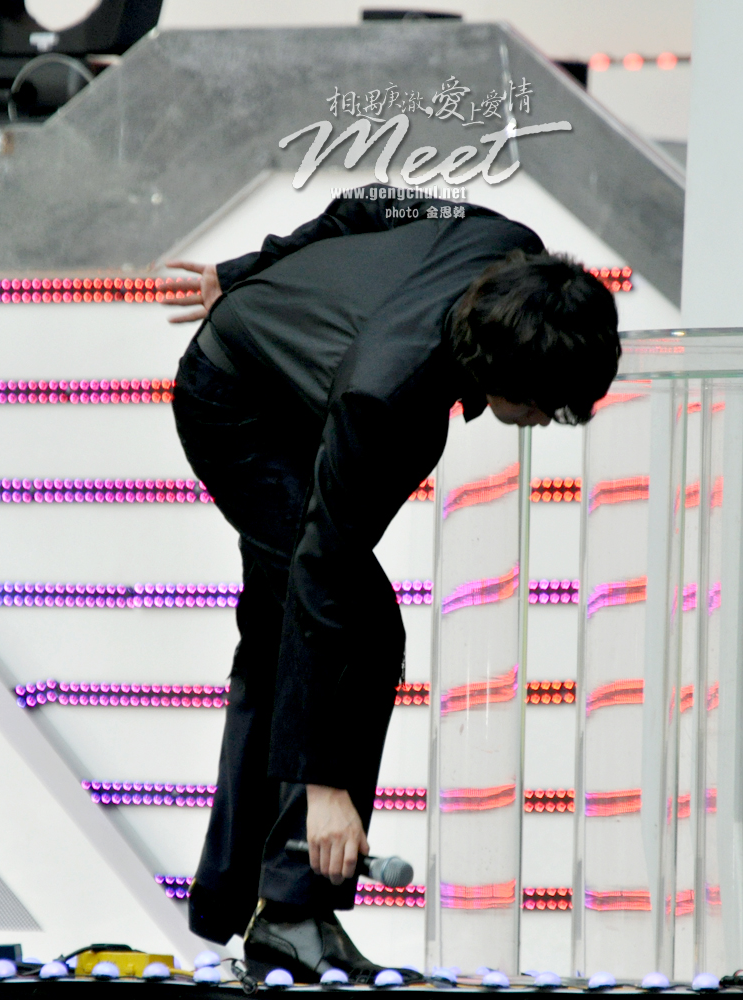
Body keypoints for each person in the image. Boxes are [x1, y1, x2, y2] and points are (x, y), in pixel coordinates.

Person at [165, 193, 620, 983]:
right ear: (498, 370)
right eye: (543, 404)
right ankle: (294, 904)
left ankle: (248, 899)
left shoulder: (505, 241)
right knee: (361, 626)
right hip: (238, 406)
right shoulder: (390, 399)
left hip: (309, 376)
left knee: (283, 632)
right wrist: (325, 786)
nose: (548, 418)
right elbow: (325, 574)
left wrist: (245, 269)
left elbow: (368, 201)